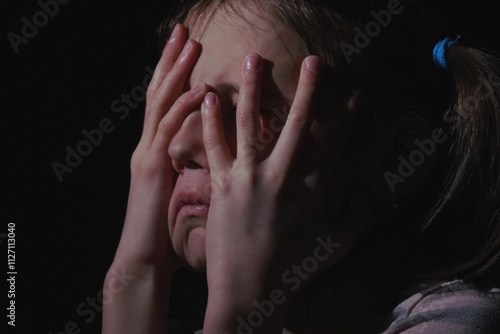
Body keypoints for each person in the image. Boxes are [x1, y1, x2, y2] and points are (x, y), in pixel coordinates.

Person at [102, 0, 500, 333]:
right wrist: (138, 275)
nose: (179, 145)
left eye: (248, 111)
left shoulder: (455, 320)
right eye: (178, 109)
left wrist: (244, 311)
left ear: (394, 158)